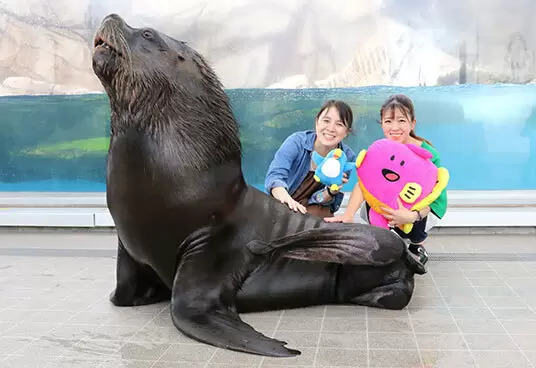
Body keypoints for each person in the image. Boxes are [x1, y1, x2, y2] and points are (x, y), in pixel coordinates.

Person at [325, 94, 448, 265]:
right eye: (388, 121)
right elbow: (364, 184)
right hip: (388, 206)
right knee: (371, 206)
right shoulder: (380, 150)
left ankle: (417, 244)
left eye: (401, 121)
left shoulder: (428, 155)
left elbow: (434, 197)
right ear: (381, 123)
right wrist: (348, 215)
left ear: (412, 123)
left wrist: (412, 216)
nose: (394, 127)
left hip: (418, 210)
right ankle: (385, 240)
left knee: (415, 214)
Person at [264, 100, 357, 218]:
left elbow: (319, 200)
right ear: (317, 122)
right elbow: (275, 176)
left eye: (339, 124)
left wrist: (330, 192)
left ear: (346, 132)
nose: (331, 128)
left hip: (314, 210)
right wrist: (287, 201)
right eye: (326, 121)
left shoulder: (347, 158)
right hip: (283, 203)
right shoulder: (296, 142)